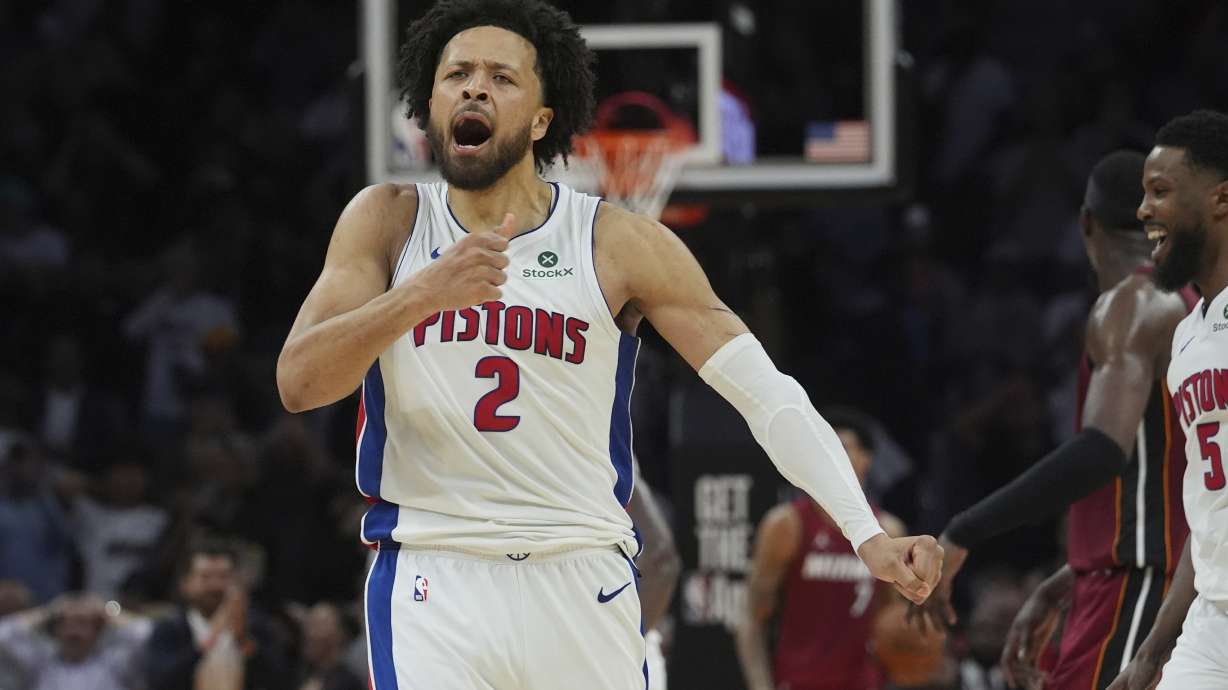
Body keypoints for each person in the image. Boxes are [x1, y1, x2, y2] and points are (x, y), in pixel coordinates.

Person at [275, 1, 942, 688]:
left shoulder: (616, 241)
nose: (474, 87)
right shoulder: (386, 221)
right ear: (431, 99)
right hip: (432, 576)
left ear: (542, 119)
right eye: (457, 74)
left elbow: (765, 393)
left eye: (501, 77)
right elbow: (299, 381)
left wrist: (867, 533)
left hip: (581, 574)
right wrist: (417, 296)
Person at [910, 150, 1197, 690]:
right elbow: (1153, 483)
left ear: (1086, 224)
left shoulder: (1133, 303)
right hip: (1137, 578)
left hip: (1139, 586)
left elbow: (1102, 452)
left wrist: (964, 530)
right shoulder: (1178, 302)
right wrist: (1068, 579)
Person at [1107, 109, 1228, 689]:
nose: (1143, 211)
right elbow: (1206, 509)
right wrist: (1154, 650)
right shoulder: (1187, 334)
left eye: (1161, 192)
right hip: (1213, 618)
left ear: (1221, 200)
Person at [735, 409, 907, 690]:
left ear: (866, 459)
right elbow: (751, 619)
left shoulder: (889, 531)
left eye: (843, 448)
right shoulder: (787, 526)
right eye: (825, 449)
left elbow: (895, 621)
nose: (832, 457)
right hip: (799, 681)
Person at [144, 541, 290, 690]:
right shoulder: (169, 628)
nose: (215, 585)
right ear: (185, 584)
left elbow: (280, 682)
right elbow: (161, 682)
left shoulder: (259, 627)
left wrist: (244, 641)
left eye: (224, 576)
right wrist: (208, 640)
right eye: (205, 577)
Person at [0, 591, 151, 690]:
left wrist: (107, 613)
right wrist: (48, 612)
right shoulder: (39, 664)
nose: (74, 632)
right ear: (56, 630)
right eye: (66, 624)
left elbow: (149, 636)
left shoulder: (116, 664)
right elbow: (3, 635)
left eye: (83, 623)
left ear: (96, 631)